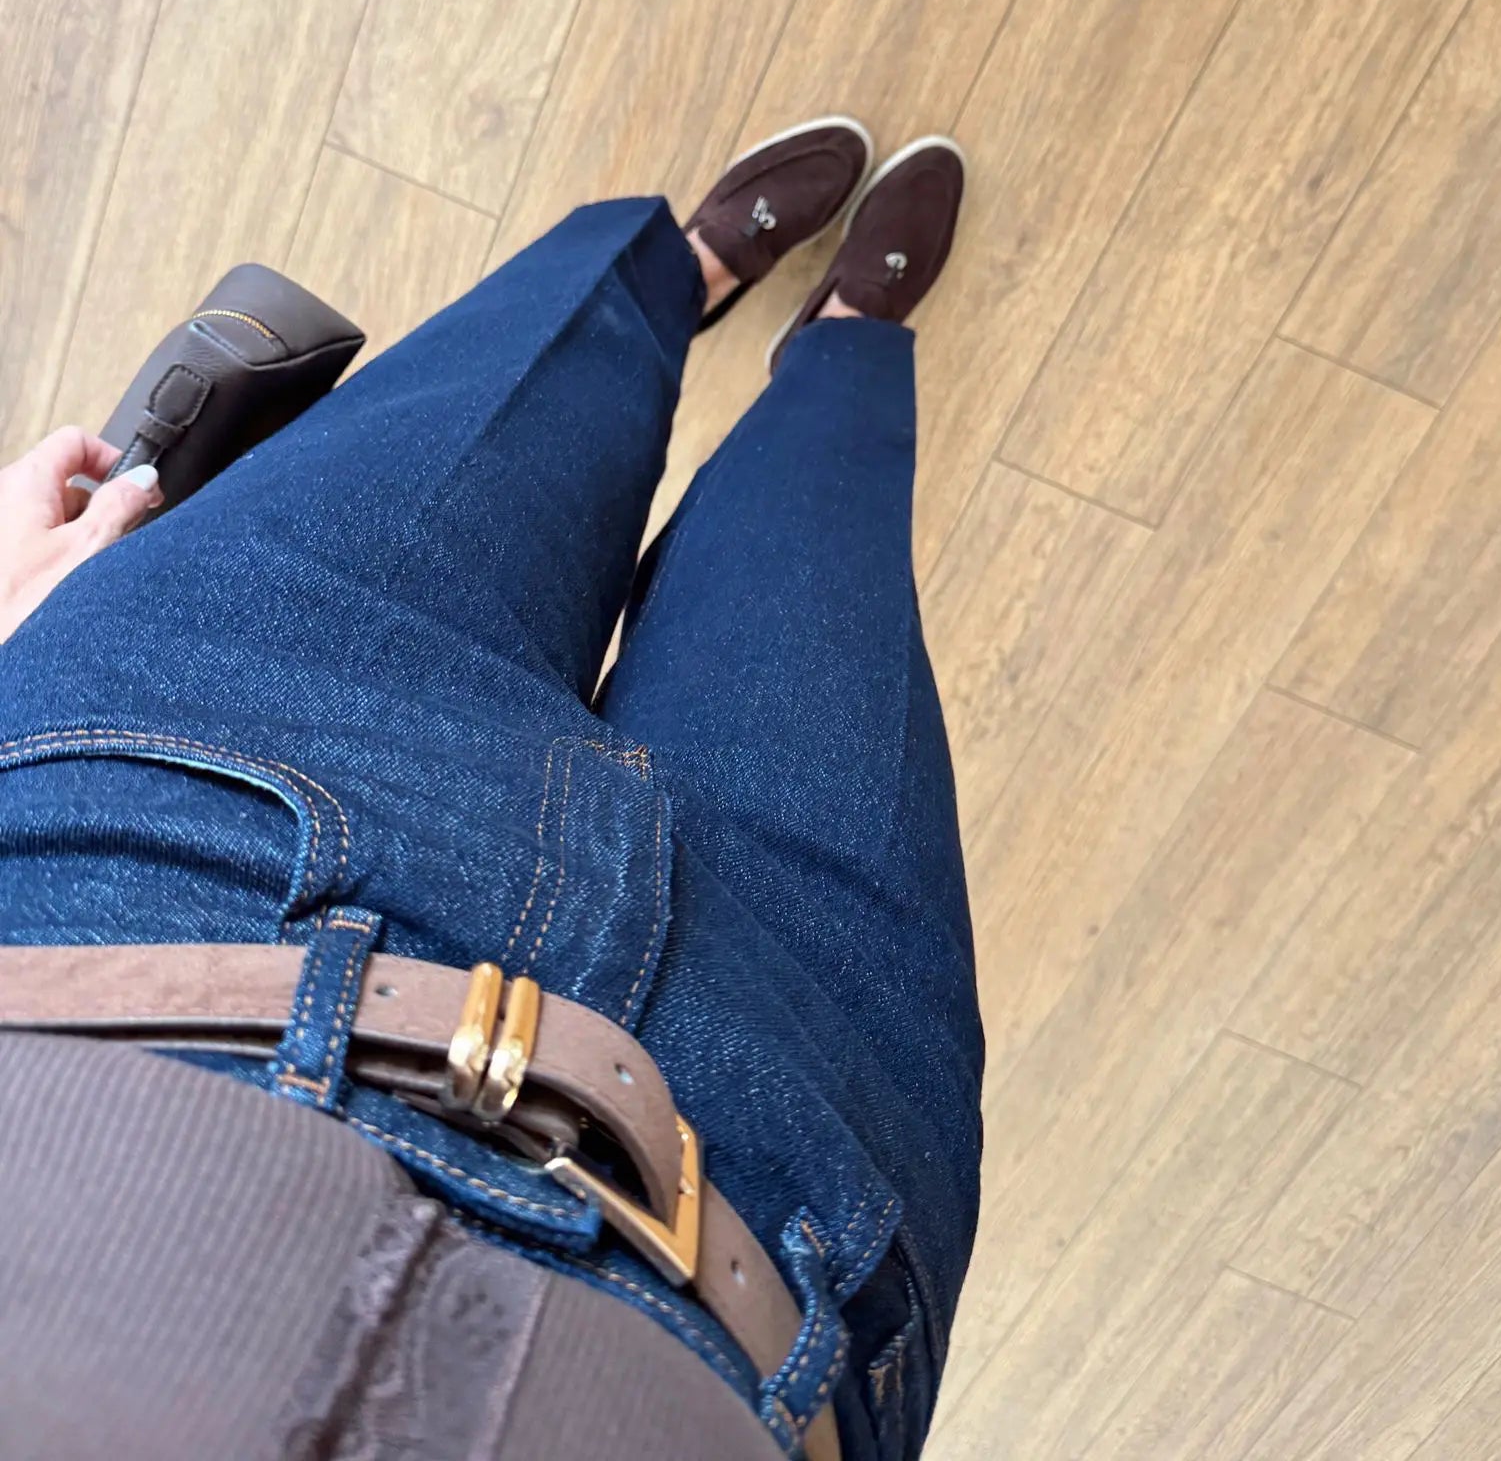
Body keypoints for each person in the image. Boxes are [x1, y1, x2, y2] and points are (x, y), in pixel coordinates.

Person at [0, 121, 982, 1461]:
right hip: (785, 1211)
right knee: (826, 537)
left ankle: (682, 273)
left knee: (523, 375)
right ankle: (847, 346)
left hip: (158, 842)